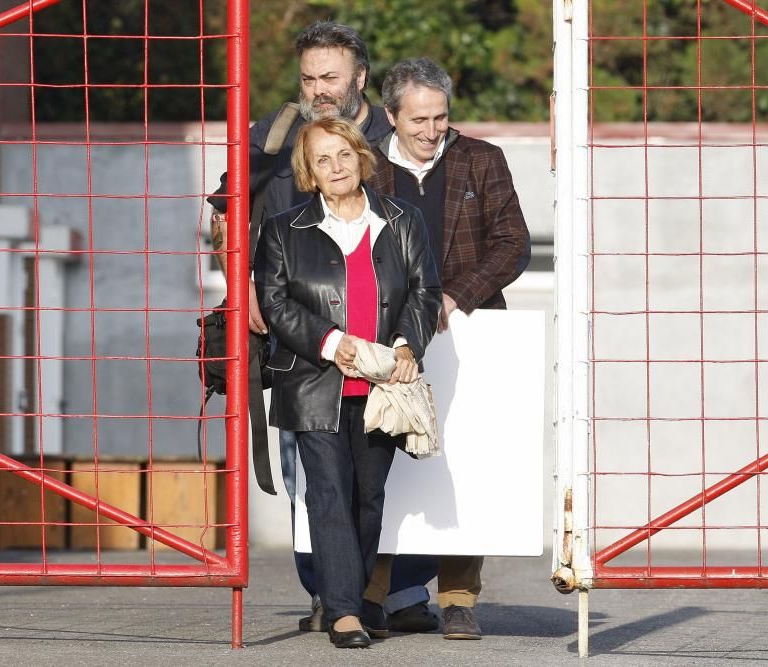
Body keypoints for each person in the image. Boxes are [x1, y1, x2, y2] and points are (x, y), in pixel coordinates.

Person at [205, 21, 393, 630]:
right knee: (309, 475)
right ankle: (329, 595)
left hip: (380, 334)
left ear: (359, 78)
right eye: (309, 77)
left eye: (330, 77)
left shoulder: (395, 136)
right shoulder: (270, 137)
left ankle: (376, 591)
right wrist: (244, 287)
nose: (319, 90)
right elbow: (226, 215)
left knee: (373, 482)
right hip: (293, 331)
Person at [253, 116, 441, 648]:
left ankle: (353, 599)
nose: (335, 167)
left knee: (369, 497)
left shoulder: (403, 220)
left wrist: (407, 344)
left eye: (343, 155)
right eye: (322, 160)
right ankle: (343, 612)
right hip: (315, 384)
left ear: (361, 157)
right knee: (329, 493)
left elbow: (426, 291)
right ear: (309, 173)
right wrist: (332, 343)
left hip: (383, 388)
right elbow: (274, 302)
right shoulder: (284, 229)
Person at [364, 57, 531, 640]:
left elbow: (513, 244)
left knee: (467, 465)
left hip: (471, 333)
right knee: (381, 461)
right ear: (390, 116)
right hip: (386, 337)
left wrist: (454, 297)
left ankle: (459, 600)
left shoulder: (482, 159)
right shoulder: (363, 166)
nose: (432, 130)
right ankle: (371, 596)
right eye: (418, 120)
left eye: (440, 117)